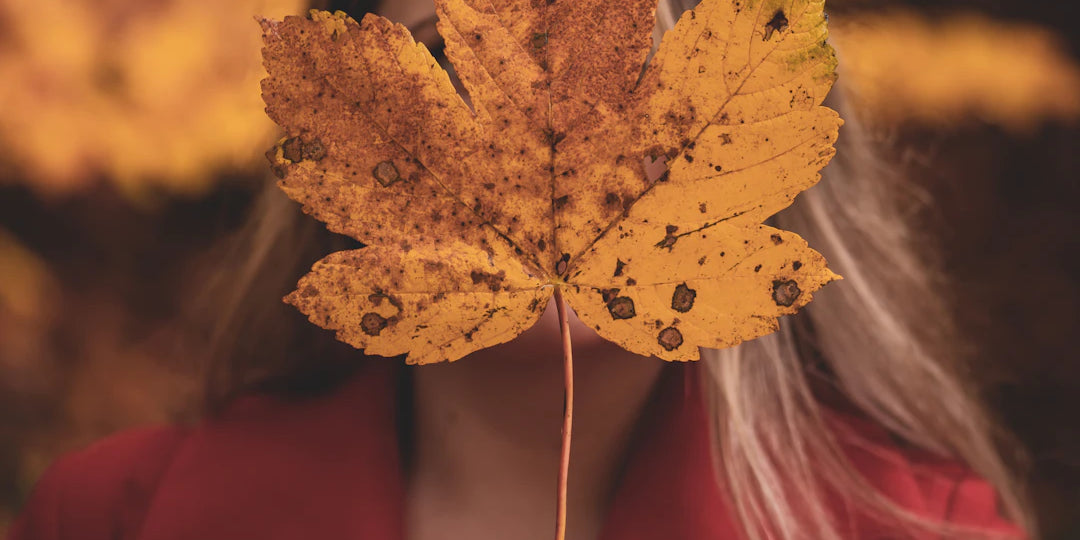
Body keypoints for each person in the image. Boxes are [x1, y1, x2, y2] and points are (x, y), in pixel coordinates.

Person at [8, 0, 1036, 538]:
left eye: (626, 66)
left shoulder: (929, 533)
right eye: (451, 57)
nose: (560, 150)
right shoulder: (108, 517)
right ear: (344, 147)